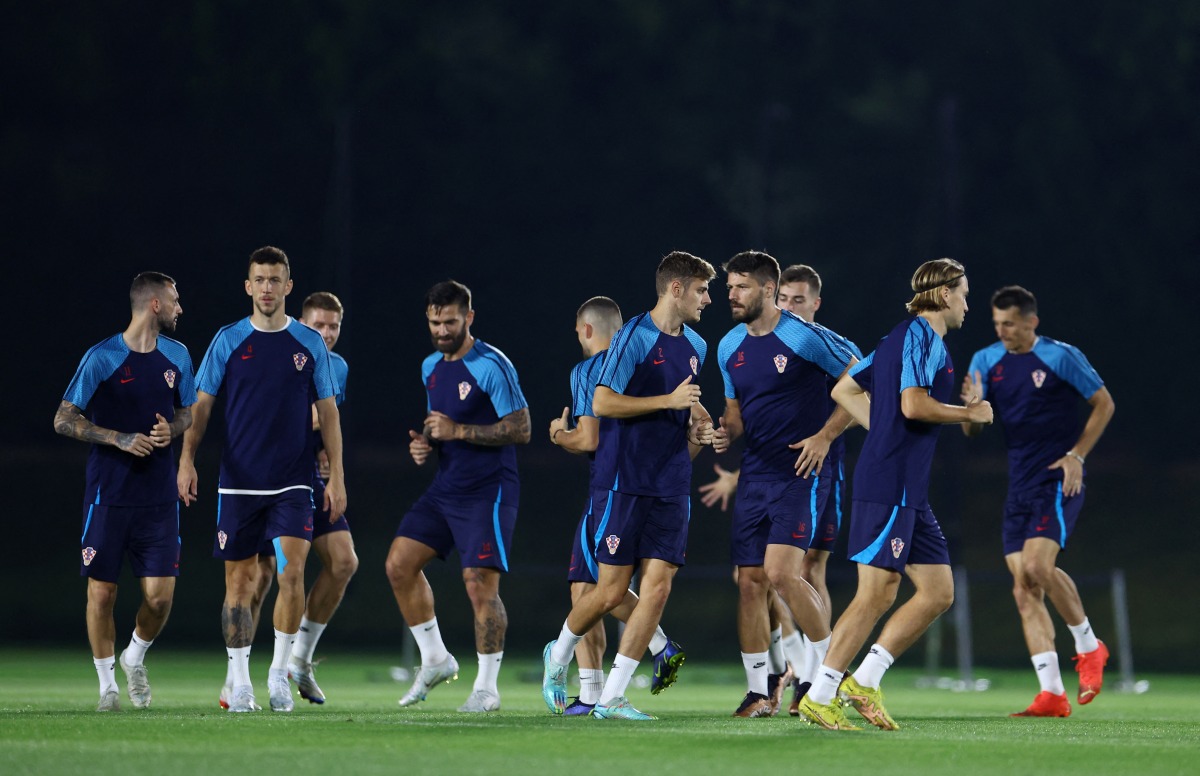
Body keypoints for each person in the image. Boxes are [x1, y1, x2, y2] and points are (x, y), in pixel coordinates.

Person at [798, 258, 993, 731]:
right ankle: (819, 695)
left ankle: (864, 681)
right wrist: (968, 413)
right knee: (875, 594)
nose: (968, 303)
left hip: (908, 490)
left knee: (938, 590)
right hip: (888, 484)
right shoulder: (920, 338)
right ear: (945, 294)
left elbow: (845, 388)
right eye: (964, 293)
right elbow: (913, 404)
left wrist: (882, 425)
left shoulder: (894, 340)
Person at [542, 251, 716, 721]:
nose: (708, 299)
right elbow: (603, 401)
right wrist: (669, 400)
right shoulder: (633, 336)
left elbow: (684, 414)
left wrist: (700, 430)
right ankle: (557, 658)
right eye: (702, 289)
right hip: (625, 482)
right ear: (675, 289)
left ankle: (613, 696)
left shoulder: (696, 346)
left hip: (672, 485)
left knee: (657, 590)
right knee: (610, 591)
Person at [178, 246, 347, 714]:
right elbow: (202, 406)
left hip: (293, 480)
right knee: (241, 585)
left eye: (276, 280)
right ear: (248, 286)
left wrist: (337, 478)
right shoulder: (228, 340)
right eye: (260, 279)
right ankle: (239, 680)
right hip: (238, 482)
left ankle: (277, 677)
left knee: (293, 572)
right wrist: (186, 461)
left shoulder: (310, 343)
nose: (268, 288)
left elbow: (329, 414)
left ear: (288, 287)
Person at [700, 263, 862, 715]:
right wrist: (723, 433)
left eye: (741, 287)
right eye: (728, 287)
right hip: (755, 473)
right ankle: (759, 690)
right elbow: (734, 413)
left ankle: (828, 675)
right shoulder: (728, 345)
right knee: (749, 582)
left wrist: (826, 435)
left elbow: (859, 378)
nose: (731, 295)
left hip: (802, 472)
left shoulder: (804, 336)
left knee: (785, 572)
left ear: (768, 290)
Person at [961, 285, 1115, 717]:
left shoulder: (1061, 356)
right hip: (1019, 485)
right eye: (996, 323)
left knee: (1038, 567)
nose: (1002, 331)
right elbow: (974, 428)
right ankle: (1051, 693)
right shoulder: (985, 361)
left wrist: (1077, 455)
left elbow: (1104, 404)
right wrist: (971, 411)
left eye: (1009, 323)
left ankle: (1090, 647)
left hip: (1058, 480)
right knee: (1024, 588)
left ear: (1032, 322)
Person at [386, 280, 531, 713]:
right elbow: (439, 425)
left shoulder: (491, 364)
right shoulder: (431, 365)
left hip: (489, 490)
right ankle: (434, 659)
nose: (442, 330)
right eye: (434, 322)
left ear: (468, 317)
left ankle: (487, 688)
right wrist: (426, 443)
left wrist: (458, 431)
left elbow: (520, 428)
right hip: (446, 487)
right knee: (398, 564)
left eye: (450, 321)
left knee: (479, 584)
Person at [55, 272, 195, 712]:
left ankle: (133, 656)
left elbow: (188, 413)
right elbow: (63, 418)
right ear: (154, 305)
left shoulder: (178, 356)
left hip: (157, 497)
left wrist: (170, 429)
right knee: (102, 594)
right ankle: (107, 688)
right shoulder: (102, 357)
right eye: (174, 300)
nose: (180, 308)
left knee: (159, 598)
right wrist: (117, 438)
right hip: (109, 495)